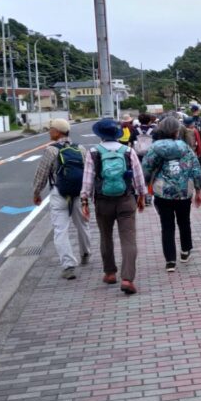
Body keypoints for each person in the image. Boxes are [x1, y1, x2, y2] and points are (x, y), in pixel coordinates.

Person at [81, 117, 147, 294]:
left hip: (102, 200)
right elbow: (138, 176)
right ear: (117, 134)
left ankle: (110, 273)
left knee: (106, 236)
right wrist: (142, 196)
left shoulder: (93, 152)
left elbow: (87, 180)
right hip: (126, 199)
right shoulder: (128, 151)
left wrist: (84, 201)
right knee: (128, 239)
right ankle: (127, 279)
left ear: (100, 134)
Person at [142, 116, 201, 273]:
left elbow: (146, 168)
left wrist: (144, 187)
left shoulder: (155, 148)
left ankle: (170, 261)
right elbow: (196, 169)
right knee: (184, 222)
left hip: (162, 192)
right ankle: (185, 251)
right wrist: (198, 190)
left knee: (167, 226)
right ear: (177, 131)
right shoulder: (185, 147)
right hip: (184, 191)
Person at [32, 118, 90, 280]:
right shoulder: (80, 148)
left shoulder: (51, 150)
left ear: (57, 132)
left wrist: (36, 193)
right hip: (78, 192)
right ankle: (85, 252)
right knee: (82, 224)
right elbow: (88, 172)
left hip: (59, 192)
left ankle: (68, 265)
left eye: (51, 129)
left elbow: (42, 174)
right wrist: (87, 193)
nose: (49, 132)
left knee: (60, 230)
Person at [135, 114, 157, 206]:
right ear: (149, 121)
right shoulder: (153, 130)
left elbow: (130, 142)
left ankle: (139, 196)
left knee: (139, 177)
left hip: (138, 157)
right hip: (150, 157)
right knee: (150, 178)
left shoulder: (135, 130)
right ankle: (148, 198)